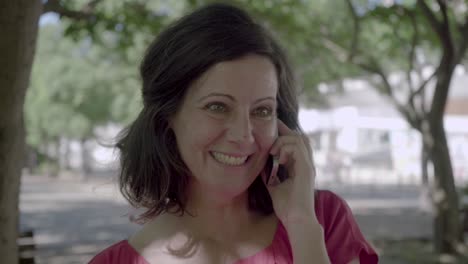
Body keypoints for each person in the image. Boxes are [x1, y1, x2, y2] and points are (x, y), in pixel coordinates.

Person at [89, 3, 378, 264]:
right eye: (217, 107)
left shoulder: (323, 220)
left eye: (262, 111)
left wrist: (301, 224)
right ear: (168, 117)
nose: (244, 135)